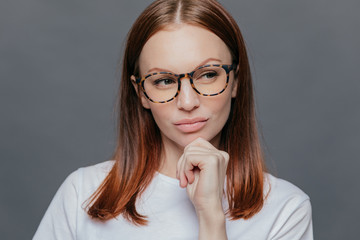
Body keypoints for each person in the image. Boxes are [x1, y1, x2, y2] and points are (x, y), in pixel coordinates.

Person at [33, 0, 313, 239]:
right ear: (141, 92)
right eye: (164, 80)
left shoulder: (286, 209)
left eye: (208, 74)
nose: (188, 103)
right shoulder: (83, 193)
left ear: (236, 81)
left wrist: (212, 218)